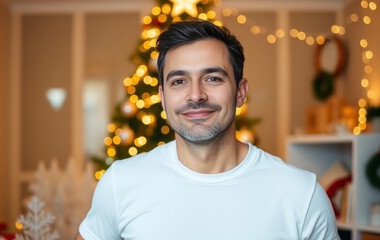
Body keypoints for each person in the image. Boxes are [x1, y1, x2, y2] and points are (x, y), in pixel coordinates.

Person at [76, 19, 339, 240]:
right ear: (163, 97)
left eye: (212, 78)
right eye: (179, 81)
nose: (195, 95)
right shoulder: (120, 183)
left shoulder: (302, 194)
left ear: (240, 92)